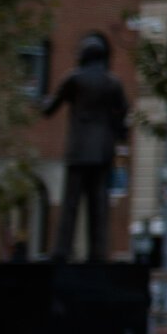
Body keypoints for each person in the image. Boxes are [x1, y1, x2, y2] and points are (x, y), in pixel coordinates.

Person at [43, 31, 130, 263]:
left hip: (79, 149)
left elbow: (49, 108)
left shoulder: (75, 79)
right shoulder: (113, 83)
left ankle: (62, 250)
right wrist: (119, 136)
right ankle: (98, 252)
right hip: (102, 151)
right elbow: (123, 116)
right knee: (99, 205)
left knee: (70, 203)